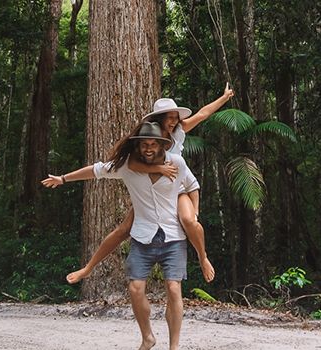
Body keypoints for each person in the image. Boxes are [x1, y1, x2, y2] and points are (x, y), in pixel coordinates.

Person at [42, 122, 204, 350]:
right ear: (138, 147)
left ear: (161, 145)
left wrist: (194, 212)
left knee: (174, 288)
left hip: (172, 236)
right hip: (143, 236)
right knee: (135, 288)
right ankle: (148, 337)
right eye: (144, 144)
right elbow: (95, 170)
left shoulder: (176, 162)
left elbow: (192, 184)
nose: (148, 148)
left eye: (153, 144)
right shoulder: (126, 166)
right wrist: (63, 178)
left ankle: (174, 347)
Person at [63, 83, 234, 284]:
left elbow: (202, 114)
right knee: (122, 231)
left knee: (190, 221)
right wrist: (158, 169)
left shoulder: (178, 131)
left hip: (176, 189)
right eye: (170, 117)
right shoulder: (148, 138)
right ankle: (88, 268)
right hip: (152, 193)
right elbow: (131, 164)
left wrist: (224, 98)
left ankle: (203, 257)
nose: (174, 121)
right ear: (159, 118)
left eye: (175, 117)